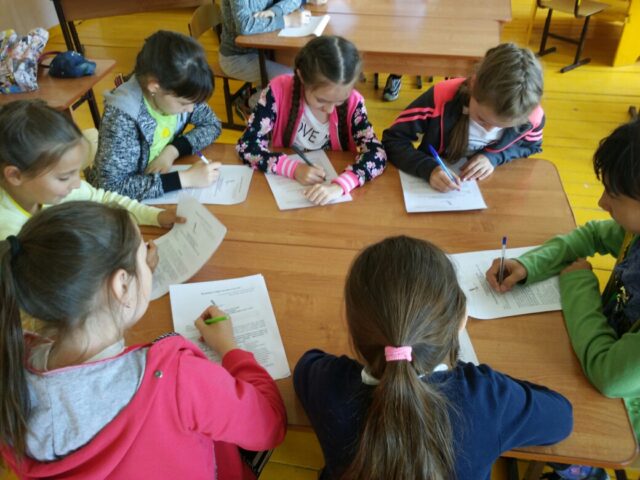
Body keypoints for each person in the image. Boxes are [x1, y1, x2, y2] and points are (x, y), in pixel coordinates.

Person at [0, 201, 287, 479]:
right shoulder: (179, 378)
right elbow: (270, 423)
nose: (149, 259)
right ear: (121, 284)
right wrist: (230, 349)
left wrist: (136, 273)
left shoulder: (10, 373)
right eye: (143, 253)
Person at [295, 235, 573, 480]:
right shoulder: (486, 397)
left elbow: (306, 365)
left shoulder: (329, 384)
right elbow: (561, 419)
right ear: (461, 321)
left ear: (351, 327)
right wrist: (483, 380)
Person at [486, 120, 640, 480]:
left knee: (538, 414)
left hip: (626, 414)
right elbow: (591, 235)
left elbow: (609, 377)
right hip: (600, 355)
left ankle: (585, 471)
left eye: (613, 196)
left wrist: (578, 284)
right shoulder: (634, 232)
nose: (601, 203)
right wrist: (530, 265)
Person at [236, 35, 387, 206]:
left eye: (339, 101)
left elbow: (377, 154)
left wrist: (341, 185)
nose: (329, 109)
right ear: (302, 77)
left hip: (333, 191)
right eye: (321, 100)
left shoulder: (354, 102)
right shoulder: (278, 91)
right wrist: (293, 168)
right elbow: (247, 145)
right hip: (288, 186)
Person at [0, 100, 181, 239]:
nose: (77, 184)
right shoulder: (8, 236)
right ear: (15, 175)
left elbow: (103, 199)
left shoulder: (47, 191)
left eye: (76, 172)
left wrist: (157, 216)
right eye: (64, 177)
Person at [382, 42, 544, 193]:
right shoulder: (441, 97)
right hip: (432, 184)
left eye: (502, 127)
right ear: (473, 84)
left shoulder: (531, 117)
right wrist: (428, 168)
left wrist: (493, 158)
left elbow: (531, 146)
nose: (488, 130)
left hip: (486, 189)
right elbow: (393, 140)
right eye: (482, 120)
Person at [85, 30, 222, 201]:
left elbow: (212, 124)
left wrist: (172, 151)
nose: (191, 109)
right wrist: (184, 179)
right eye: (183, 103)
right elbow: (110, 187)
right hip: (118, 203)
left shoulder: (180, 90)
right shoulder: (122, 116)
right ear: (154, 87)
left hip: (151, 187)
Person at [219, 0, 325, 119]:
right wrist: (286, 21)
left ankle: (262, 91)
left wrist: (274, 11)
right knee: (292, 80)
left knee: (304, 70)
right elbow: (245, 26)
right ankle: (249, 104)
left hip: (263, 51)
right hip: (236, 57)